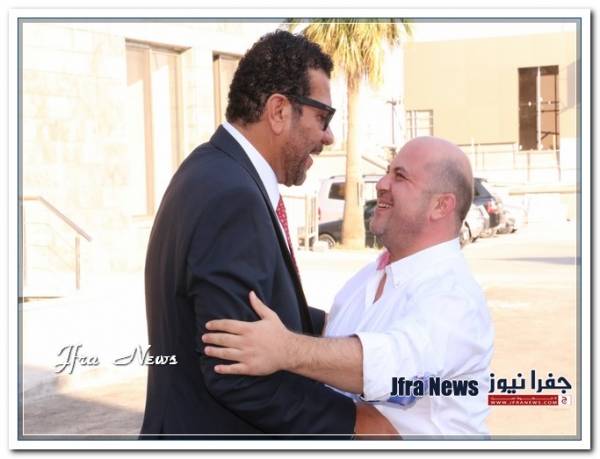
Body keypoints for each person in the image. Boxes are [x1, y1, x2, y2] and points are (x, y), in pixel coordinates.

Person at [141, 30, 396, 438]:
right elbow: (234, 370)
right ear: (279, 111)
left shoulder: (212, 170)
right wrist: (356, 422)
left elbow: (260, 313)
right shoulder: (233, 196)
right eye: (323, 118)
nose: (329, 137)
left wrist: (345, 331)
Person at [202, 136, 495, 438]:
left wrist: (285, 349)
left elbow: (393, 368)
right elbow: (336, 334)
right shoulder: (373, 274)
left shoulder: (454, 296)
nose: (381, 184)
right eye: (387, 171)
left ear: (441, 206)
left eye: (400, 176)